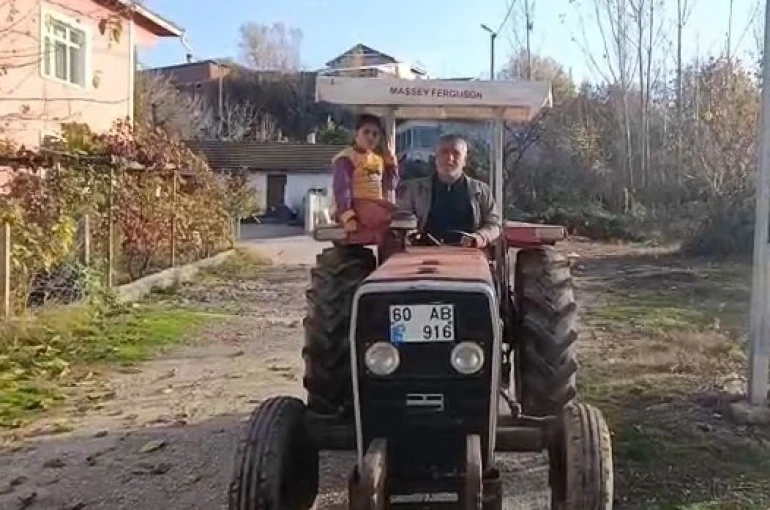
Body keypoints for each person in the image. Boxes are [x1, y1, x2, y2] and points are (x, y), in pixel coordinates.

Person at [396, 134, 501, 248]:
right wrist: (411, 233)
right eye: (444, 152)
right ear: (435, 158)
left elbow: (494, 224)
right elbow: (404, 218)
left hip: (469, 254)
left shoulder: (481, 191)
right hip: (425, 253)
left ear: (464, 160)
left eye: (456, 153)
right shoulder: (414, 190)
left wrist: (479, 237)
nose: (450, 158)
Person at [331, 114, 399, 242]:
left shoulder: (378, 159)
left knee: (402, 217)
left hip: (375, 203)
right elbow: (342, 189)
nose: (370, 137)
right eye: (366, 132)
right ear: (356, 134)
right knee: (384, 218)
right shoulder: (346, 158)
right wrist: (348, 217)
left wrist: (392, 166)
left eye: (375, 134)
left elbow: (390, 185)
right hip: (355, 204)